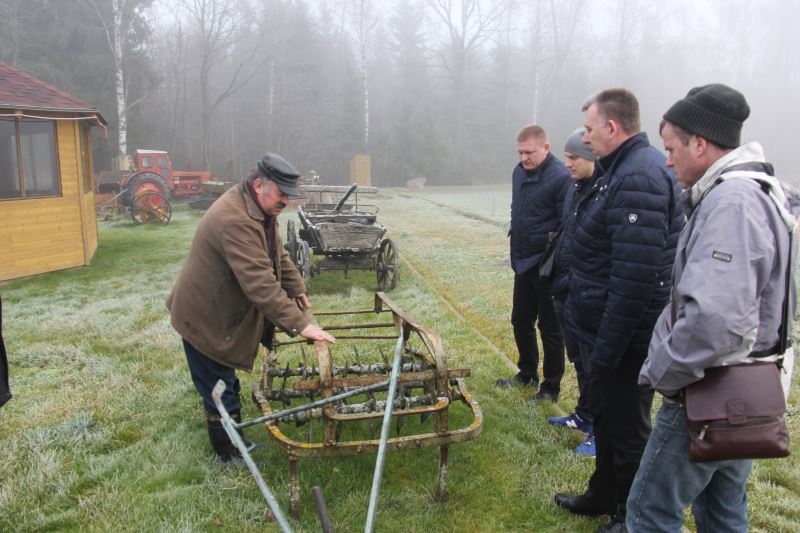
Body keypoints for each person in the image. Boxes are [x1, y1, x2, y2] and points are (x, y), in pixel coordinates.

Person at [626, 84, 797, 532]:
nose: (666, 160)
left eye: (671, 147)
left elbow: (715, 322)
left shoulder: (731, 203)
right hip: (748, 390)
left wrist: (663, 373)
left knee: (649, 511)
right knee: (722, 510)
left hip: (711, 393)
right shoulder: (756, 191)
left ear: (698, 143)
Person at [556, 89, 683, 533]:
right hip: (604, 332)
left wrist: (607, 348)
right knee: (607, 422)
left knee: (628, 431)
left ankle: (631, 517)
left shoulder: (639, 178)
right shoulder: (619, 170)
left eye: (589, 130)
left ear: (612, 127)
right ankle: (603, 495)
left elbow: (635, 279)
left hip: (627, 338)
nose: (585, 139)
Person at [167, 152, 336, 462]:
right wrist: (300, 324)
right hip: (205, 316)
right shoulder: (235, 219)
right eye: (282, 194)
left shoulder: (258, 208)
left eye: (290, 195)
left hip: (219, 309)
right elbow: (260, 283)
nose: (286, 201)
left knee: (225, 377)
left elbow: (277, 254)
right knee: (218, 387)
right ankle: (228, 453)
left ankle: (235, 436)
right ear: (259, 184)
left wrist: (296, 287)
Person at [496, 124, 571, 403]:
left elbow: (567, 226)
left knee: (550, 328)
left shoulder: (561, 177)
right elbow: (518, 212)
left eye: (530, 152)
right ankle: (527, 373)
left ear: (546, 148)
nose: (524, 158)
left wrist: (553, 262)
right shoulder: (518, 173)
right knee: (520, 320)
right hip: (522, 263)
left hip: (547, 267)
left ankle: (550, 388)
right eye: (520, 152)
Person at [547, 127, 597, 456]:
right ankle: (584, 415)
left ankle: (600, 431)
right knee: (578, 359)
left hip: (588, 293)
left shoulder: (604, 192)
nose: (567, 163)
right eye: (566, 157)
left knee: (596, 366)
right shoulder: (574, 188)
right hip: (568, 287)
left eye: (574, 157)